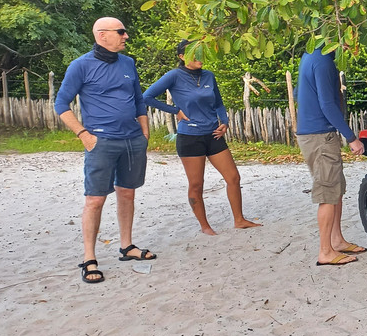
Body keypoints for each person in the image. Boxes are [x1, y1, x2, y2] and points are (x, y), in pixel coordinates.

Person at [55, 17, 156, 284]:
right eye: (121, 32)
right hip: (101, 142)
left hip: (132, 140)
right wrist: (84, 135)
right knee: (95, 200)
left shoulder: (128, 63)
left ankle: (127, 246)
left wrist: (144, 132)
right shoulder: (80, 66)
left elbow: (138, 100)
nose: (126, 37)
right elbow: (61, 105)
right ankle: (89, 258)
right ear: (102, 35)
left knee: (127, 193)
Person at [143, 41, 261, 236]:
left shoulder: (209, 76)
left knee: (233, 177)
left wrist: (225, 121)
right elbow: (146, 97)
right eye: (194, 54)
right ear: (182, 56)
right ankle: (205, 226)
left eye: (201, 53)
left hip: (213, 134)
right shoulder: (174, 76)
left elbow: (218, 103)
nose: (199, 58)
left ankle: (239, 220)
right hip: (190, 137)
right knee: (197, 184)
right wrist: (175, 111)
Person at [296, 45, 366, 266]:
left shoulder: (310, 55)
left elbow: (301, 94)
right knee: (327, 192)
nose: (351, 45)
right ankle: (325, 252)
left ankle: (336, 240)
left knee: (336, 189)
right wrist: (351, 137)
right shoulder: (324, 61)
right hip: (320, 135)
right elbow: (327, 104)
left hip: (316, 133)